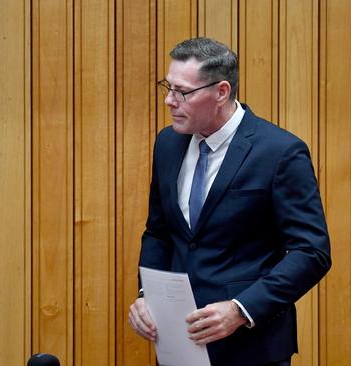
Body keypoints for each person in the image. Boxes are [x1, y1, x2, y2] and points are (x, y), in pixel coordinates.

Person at [128, 37, 331, 366]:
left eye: (182, 92)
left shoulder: (280, 152)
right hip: (178, 347)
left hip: (251, 347)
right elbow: (159, 232)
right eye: (168, 87)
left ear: (221, 92)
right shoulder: (167, 144)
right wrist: (146, 295)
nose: (169, 100)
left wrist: (240, 309)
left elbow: (311, 252)